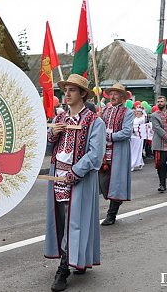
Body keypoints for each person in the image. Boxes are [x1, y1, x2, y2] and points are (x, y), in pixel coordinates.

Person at [44, 74, 105, 291]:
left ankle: (63, 268)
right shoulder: (60, 118)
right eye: (65, 90)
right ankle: (73, 258)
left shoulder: (94, 121)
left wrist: (75, 172)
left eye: (72, 90)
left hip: (78, 179)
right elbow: (49, 147)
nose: (67, 94)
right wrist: (52, 133)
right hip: (57, 177)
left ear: (82, 94)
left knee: (75, 222)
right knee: (61, 220)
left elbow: (96, 154)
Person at [99, 83, 134, 226]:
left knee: (116, 184)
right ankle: (113, 202)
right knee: (102, 182)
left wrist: (109, 136)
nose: (112, 96)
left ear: (122, 97)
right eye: (111, 94)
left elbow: (126, 132)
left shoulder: (128, 112)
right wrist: (99, 120)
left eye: (116, 94)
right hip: (103, 153)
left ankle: (111, 214)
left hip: (118, 152)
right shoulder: (105, 111)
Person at [151, 96, 167, 192]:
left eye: (161, 101)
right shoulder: (154, 115)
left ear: (166, 102)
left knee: (163, 163)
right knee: (159, 164)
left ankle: (163, 183)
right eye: (158, 101)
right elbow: (157, 128)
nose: (159, 103)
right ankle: (162, 183)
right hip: (159, 144)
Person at [130, 107, 145, 171]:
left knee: (136, 150)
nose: (137, 113)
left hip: (139, 136)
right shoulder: (135, 118)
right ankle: (140, 162)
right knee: (134, 150)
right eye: (136, 112)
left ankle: (133, 164)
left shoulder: (142, 118)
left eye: (138, 112)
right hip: (133, 136)